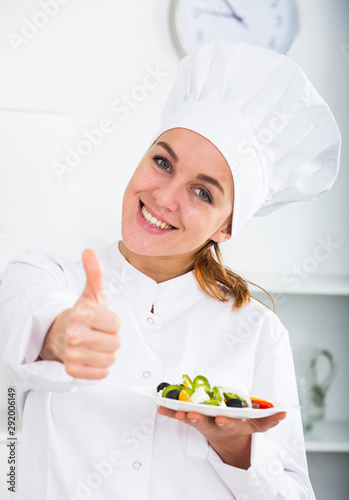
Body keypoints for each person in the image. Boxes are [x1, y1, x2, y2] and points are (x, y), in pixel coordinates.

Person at [0, 41, 341, 499]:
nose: (164, 197)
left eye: (203, 193)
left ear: (225, 227)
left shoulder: (258, 332)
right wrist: (60, 335)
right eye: (162, 162)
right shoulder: (45, 276)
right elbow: (25, 318)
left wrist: (238, 448)